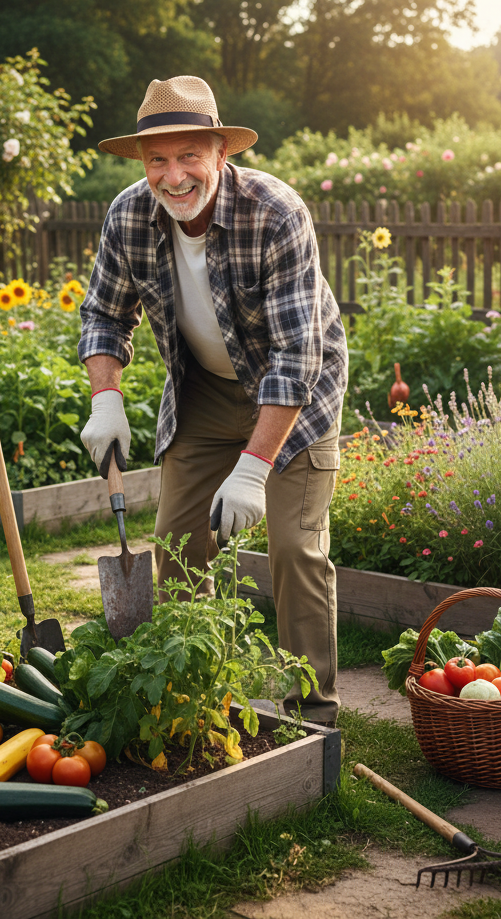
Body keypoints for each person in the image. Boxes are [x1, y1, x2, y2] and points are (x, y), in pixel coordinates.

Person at [77, 75, 348, 725]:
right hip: (202, 393)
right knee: (175, 546)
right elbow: (104, 314)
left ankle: (313, 716)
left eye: (189, 156)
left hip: (294, 399)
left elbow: (296, 358)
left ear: (220, 153)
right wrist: (105, 397)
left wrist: (254, 469)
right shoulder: (128, 215)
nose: (174, 177)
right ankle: (190, 695)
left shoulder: (275, 212)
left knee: (295, 547)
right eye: (157, 160)